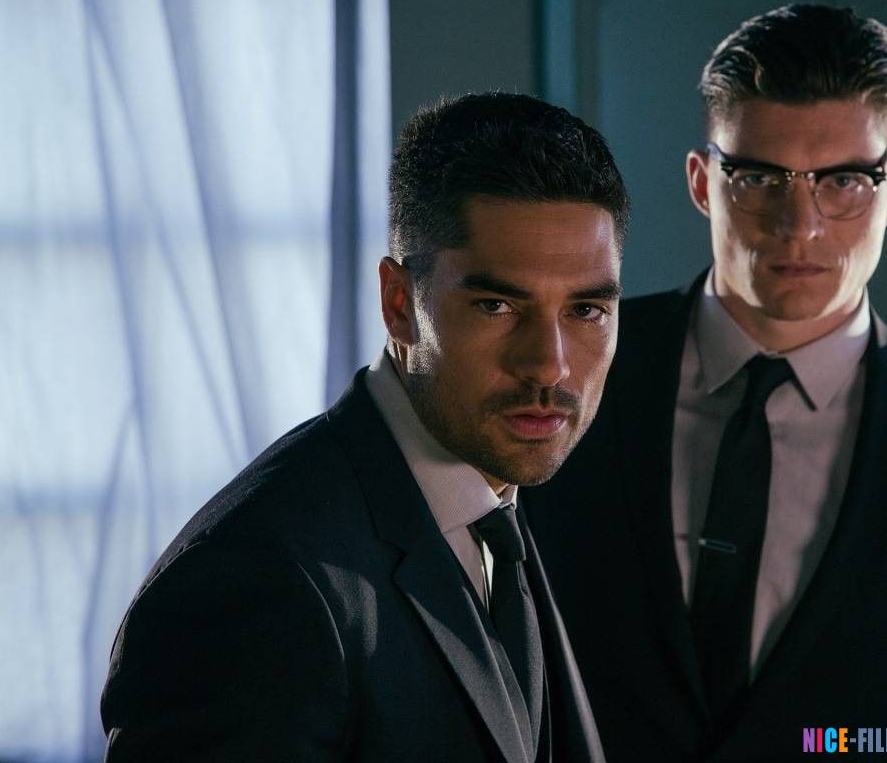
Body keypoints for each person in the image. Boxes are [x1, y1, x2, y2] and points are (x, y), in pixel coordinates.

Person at [101, 92, 629, 762]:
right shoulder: (259, 577)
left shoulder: (507, 503)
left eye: (585, 311)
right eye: (496, 306)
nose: (548, 365)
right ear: (399, 304)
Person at [524, 4, 887, 761]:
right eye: (758, 177)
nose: (799, 224)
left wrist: (825, 746)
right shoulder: (572, 366)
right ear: (701, 182)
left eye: (844, 181)